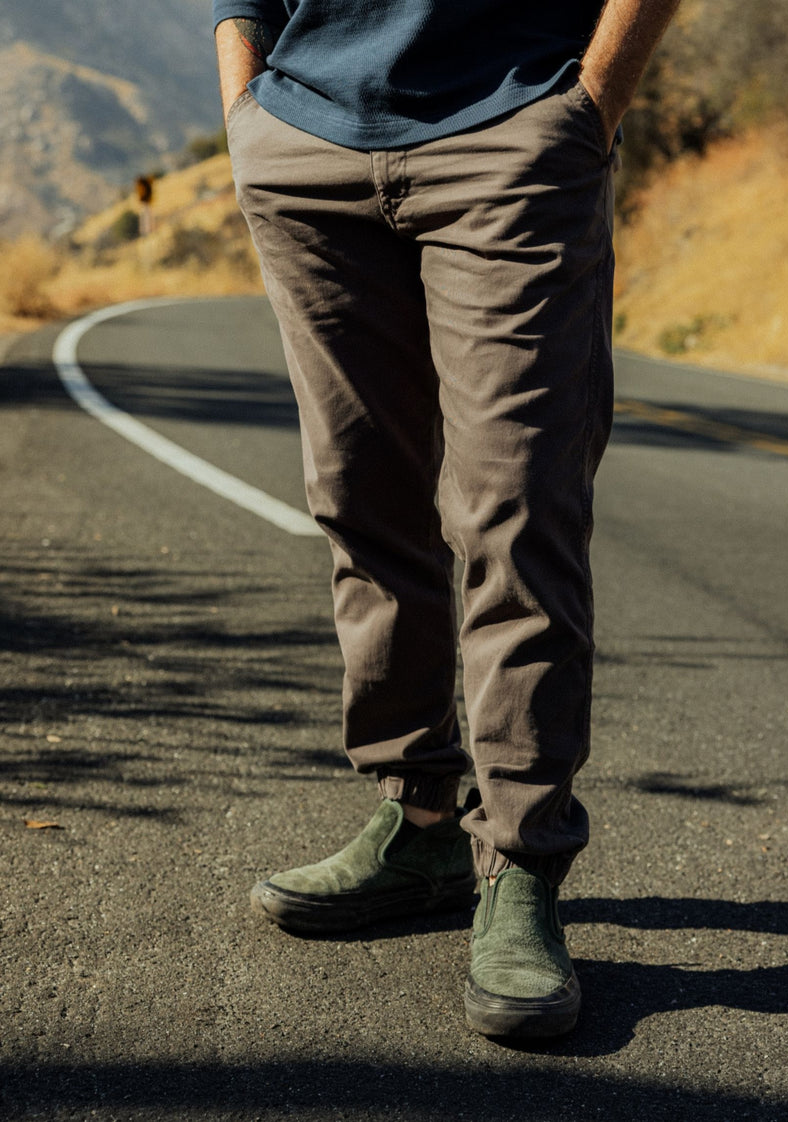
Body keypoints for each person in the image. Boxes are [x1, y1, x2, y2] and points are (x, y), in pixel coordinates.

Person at [213, 0, 680, 1038]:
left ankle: (519, 860)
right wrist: (246, 96)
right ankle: (419, 817)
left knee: (516, 507)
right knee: (359, 494)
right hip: (303, 140)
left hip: (514, 132)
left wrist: (589, 105)